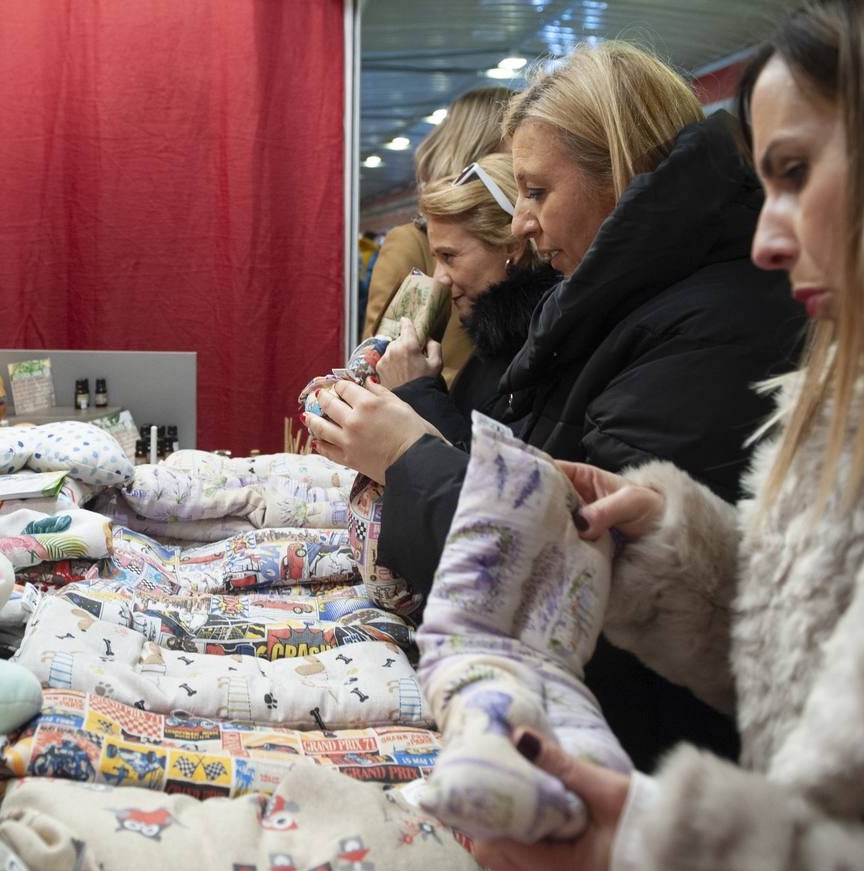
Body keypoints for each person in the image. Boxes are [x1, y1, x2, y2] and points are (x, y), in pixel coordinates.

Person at [308, 41, 805, 771]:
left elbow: (571, 580)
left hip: (643, 761)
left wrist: (407, 450)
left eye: (538, 192)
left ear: (623, 172)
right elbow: (537, 486)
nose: (521, 226)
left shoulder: (704, 326)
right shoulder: (611, 309)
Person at [475, 2, 864, 871]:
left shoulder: (713, 328)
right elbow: (794, 662)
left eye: (798, 172)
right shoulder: (830, 398)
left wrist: (663, 857)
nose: (772, 236)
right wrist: (672, 550)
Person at [375, 152, 560, 450]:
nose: (440, 278)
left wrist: (418, 389)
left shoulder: (543, 349)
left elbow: (484, 478)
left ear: (511, 245)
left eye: (449, 257)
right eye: (436, 259)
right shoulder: (499, 341)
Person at [363, 87, 516, 381]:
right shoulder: (411, 242)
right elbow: (380, 359)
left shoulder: (526, 238)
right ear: (480, 149)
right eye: (510, 150)